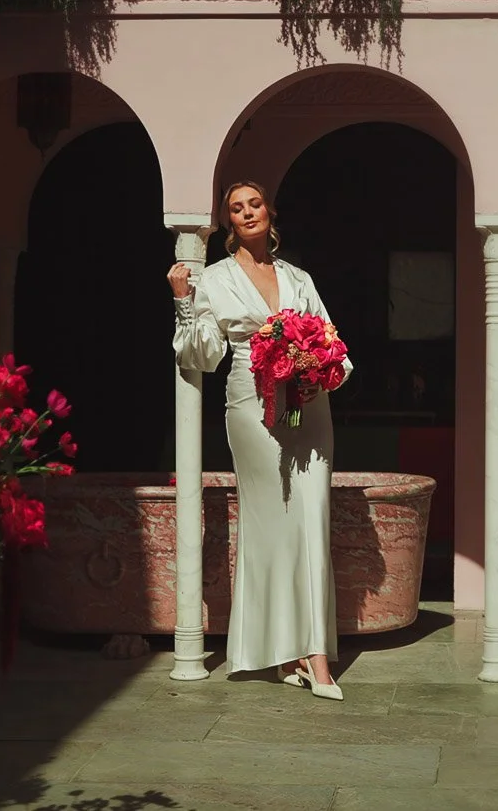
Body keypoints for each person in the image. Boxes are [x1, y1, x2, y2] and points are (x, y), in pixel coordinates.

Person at [167, 181, 353, 701]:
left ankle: (313, 653)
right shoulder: (216, 278)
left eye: (254, 204)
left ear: (269, 212)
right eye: (236, 208)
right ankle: (286, 652)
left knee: (311, 519)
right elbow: (203, 354)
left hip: (306, 404)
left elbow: (332, 340)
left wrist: (321, 373)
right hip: (252, 406)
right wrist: (183, 302)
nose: (247, 213)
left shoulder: (298, 278)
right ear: (229, 222)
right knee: (272, 526)